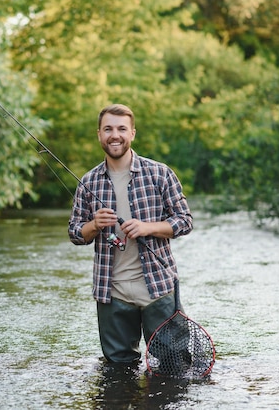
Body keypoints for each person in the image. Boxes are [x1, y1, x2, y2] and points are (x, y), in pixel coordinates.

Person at [68, 103, 193, 364]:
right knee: (117, 371)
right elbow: (75, 233)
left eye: (122, 129)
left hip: (158, 287)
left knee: (174, 367)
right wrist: (94, 224)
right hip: (111, 292)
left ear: (133, 133)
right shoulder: (87, 182)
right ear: (99, 134)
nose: (115, 135)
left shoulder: (160, 173)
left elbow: (185, 221)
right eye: (108, 129)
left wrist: (148, 227)